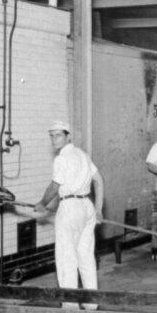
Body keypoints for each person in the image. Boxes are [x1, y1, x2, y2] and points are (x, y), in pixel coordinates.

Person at [33, 120, 104, 292]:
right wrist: (98, 209)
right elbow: (99, 181)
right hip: (87, 207)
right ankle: (90, 302)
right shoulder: (82, 155)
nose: (54, 139)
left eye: (58, 135)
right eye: (51, 136)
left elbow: (54, 187)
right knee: (86, 256)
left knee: (67, 258)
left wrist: (42, 203)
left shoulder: (61, 158)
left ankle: (70, 305)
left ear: (68, 136)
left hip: (70, 208)